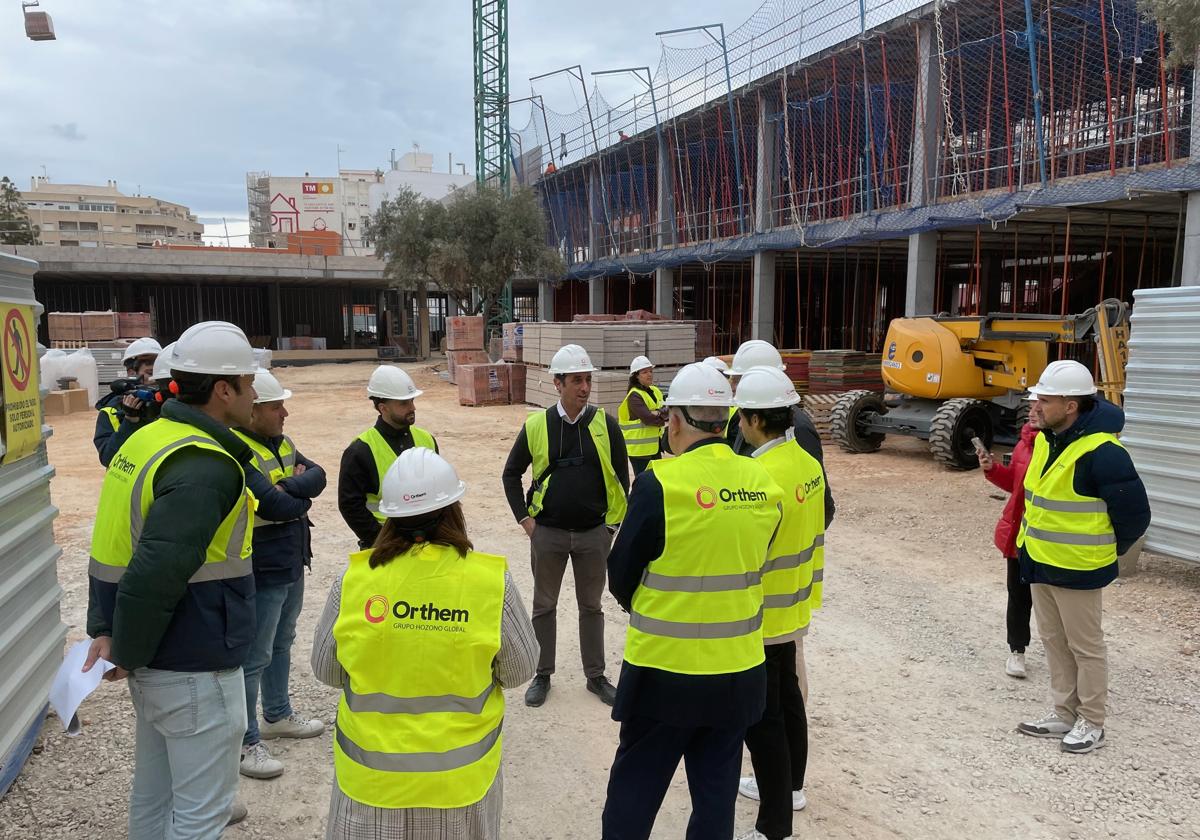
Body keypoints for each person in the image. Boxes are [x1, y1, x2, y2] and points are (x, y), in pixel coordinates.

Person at [82, 321, 263, 837]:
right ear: (223, 390)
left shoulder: (147, 440)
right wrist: (126, 651)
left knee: (155, 801)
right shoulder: (204, 464)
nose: (255, 394)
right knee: (200, 818)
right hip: (195, 663)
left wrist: (108, 631)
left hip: (162, 661)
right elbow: (153, 574)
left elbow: (109, 547)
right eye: (248, 383)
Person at [311, 447, 538, 840]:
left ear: (389, 515)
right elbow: (519, 671)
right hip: (460, 788)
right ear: (454, 509)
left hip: (370, 788)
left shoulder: (354, 580)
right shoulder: (488, 583)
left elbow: (326, 670)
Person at [602, 363, 784, 840]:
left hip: (663, 675)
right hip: (739, 675)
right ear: (726, 420)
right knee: (715, 802)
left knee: (634, 796)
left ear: (675, 422)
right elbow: (755, 561)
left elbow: (620, 576)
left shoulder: (661, 484)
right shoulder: (764, 484)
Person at [1014, 360, 1150, 754]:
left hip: (1079, 568)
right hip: (1041, 561)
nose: (1035, 405)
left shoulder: (1103, 452)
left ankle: (1092, 720)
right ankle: (1064, 712)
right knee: (1054, 641)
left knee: (1086, 647)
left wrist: (1109, 550)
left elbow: (1135, 515)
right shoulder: (1046, 440)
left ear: (1071, 406)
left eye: (1044, 399)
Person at [501, 344, 629, 708]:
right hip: (549, 534)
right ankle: (542, 674)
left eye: (588, 380)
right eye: (576, 380)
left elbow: (623, 477)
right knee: (544, 605)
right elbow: (511, 474)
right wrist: (526, 521)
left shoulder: (606, 424)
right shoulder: (536, 426)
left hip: (594, 534)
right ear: (557, 383)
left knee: (592, 606)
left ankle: (595, 676)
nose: (584, 388)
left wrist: (611, 527)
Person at [731, 366, 826, 840]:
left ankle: (773, 827)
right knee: (789, 700)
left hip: (763, 612)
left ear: (750, 420)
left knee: (764, 718)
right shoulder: (805, 463)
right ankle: (792, 788)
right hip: (795, 604)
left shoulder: (759, 476)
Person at [724, 339, 835, 703]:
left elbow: (821, 503)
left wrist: (784, 541)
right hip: (758, 582)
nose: (736, 388)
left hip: (776, 585)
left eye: (740, 380)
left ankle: (789, 727)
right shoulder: (743, 421)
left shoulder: (796, 430)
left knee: (785, 672)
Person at [232, 371, 327, 780]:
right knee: (255, 655)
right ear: (253, 412)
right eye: (276, 407)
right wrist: (294, 493)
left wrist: (291, 487)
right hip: (262, 563)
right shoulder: (238, 449)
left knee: (283, 641)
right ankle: (246, 740)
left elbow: (319, 475)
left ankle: (277, 714)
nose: (284, 413)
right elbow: (271, 506)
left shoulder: (282, 443)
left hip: (290, 557)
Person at [339, 364, 437, 549]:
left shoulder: (427, 439)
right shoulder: (360, 450)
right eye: (404, 403)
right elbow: (350, 506)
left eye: (412, 400)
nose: (412, 407)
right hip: (384, 544)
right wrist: (381, 540)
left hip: (429, 541)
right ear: (383, 408)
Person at [978, 418, 1041, 679]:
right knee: (1018, 596)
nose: (1034, 411)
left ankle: (1067, 655)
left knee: (1054, 603)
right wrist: (992, 469)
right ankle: (1017, 651)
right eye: (1031, 406)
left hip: (1049, 540)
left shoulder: (1061, 447)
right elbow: (1013, 485)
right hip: (1020, 534)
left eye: (1042, 403)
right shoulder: (1023, 444)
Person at [94, 336, 162, 466]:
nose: (155, 380)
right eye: (150, 372)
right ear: (132, 373)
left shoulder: (169, 404)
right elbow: (108, 458)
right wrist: (130, 421)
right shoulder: (111, 411)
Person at [618, 355, 667, 476]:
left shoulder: (655, 391)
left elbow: (669, 410)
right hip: (639, 451)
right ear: (636, 376)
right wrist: (661, 415)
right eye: (645, 372)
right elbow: (648, 419)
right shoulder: (634, 395)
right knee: (643, 483)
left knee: (656, 480)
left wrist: (658, 413)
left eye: (650, 371)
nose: (649, 374)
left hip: (655, 446)